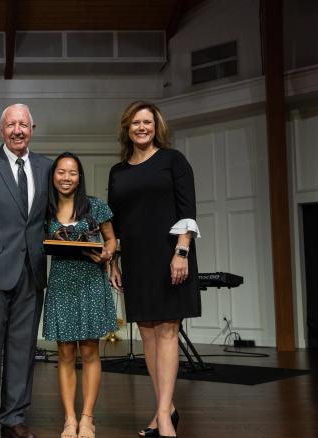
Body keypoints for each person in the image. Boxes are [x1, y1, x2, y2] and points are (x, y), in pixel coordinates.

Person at [107, 101, 200, 438]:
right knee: (146, 332)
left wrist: (181, 252)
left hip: (169, 253)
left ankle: (162, 417)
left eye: (147, 122)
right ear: (127, 128)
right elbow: (113, 222)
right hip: (135, 258)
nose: (141, 127)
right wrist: (113, 260)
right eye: (135, 123)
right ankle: (167, 408)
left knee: (167, 331)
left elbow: (188, 210)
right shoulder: (118, 171)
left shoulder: (173, 161)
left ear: (156, 126)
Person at [0, 104, 52, 438]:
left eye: (24, 124)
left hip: (32, 270)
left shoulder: (47, 167)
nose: (18, 130)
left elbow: (53, 216)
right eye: (11, 124)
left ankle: (14, 416)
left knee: (23, 347)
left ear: (33, 128)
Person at [42, 152, 118, 438]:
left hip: (90, 283)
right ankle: (70, 419)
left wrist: (107, 254)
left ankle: (87, 417)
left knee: (89, 350)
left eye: (72, 173)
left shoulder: (95, 206)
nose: (66, 178)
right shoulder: (46, 209)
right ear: (53, 176)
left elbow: (111, 240)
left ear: (79, 177)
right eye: (61, 172)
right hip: (61, 283)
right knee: (64, 353)